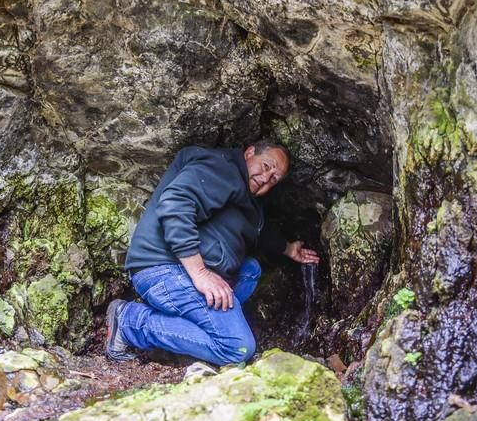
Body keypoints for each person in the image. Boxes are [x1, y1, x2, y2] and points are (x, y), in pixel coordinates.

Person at [105, 140, 319, 365]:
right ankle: (129, 322)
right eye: (266, 166)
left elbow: (260, 231)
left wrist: (289, 249)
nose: (266, 178)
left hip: (182, 270)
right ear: (249, 153)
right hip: (163, 268)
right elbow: (176, 204)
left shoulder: (245, 199)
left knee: (251, 270)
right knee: (238, 347)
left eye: (274, 179)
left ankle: (184, 338)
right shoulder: (222, 167)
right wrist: (200, 273)